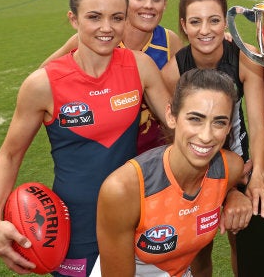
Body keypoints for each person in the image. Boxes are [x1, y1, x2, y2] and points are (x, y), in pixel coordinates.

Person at [0, 0, 172, 276]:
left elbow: (178, 127)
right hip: (72, 232)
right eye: (94, 17)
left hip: (136, 222)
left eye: (116, 18)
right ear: (73, 19)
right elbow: (10, 155)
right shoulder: (42, 85)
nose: (106, 28)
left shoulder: (141, 67)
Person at [161, 0, 264, 276]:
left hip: (242, 165)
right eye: (195, 22)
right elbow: (178, 139)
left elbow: (256, 123)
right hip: (195, 170)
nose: (205, 30)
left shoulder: (244, 57)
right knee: (198, 252)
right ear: (184, 25)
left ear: (225, 22)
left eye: (213, 20)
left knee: (245, 245)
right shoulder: (173, 72)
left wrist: (258, 177)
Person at [93, 68, 253, 276]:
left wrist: (233, 195)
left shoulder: (230, 168)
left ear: (229, 127)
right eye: (195, 119)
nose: (206, 136)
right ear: (171, 116)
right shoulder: (124, 189)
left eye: (219, 122)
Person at [41, 0, 183, 154]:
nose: (148, 5)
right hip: (110, 157)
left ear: (165, 4)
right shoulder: (98, 39)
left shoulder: (170, 41)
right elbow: (45, 78)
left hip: (155, 156)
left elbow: (183, 96)